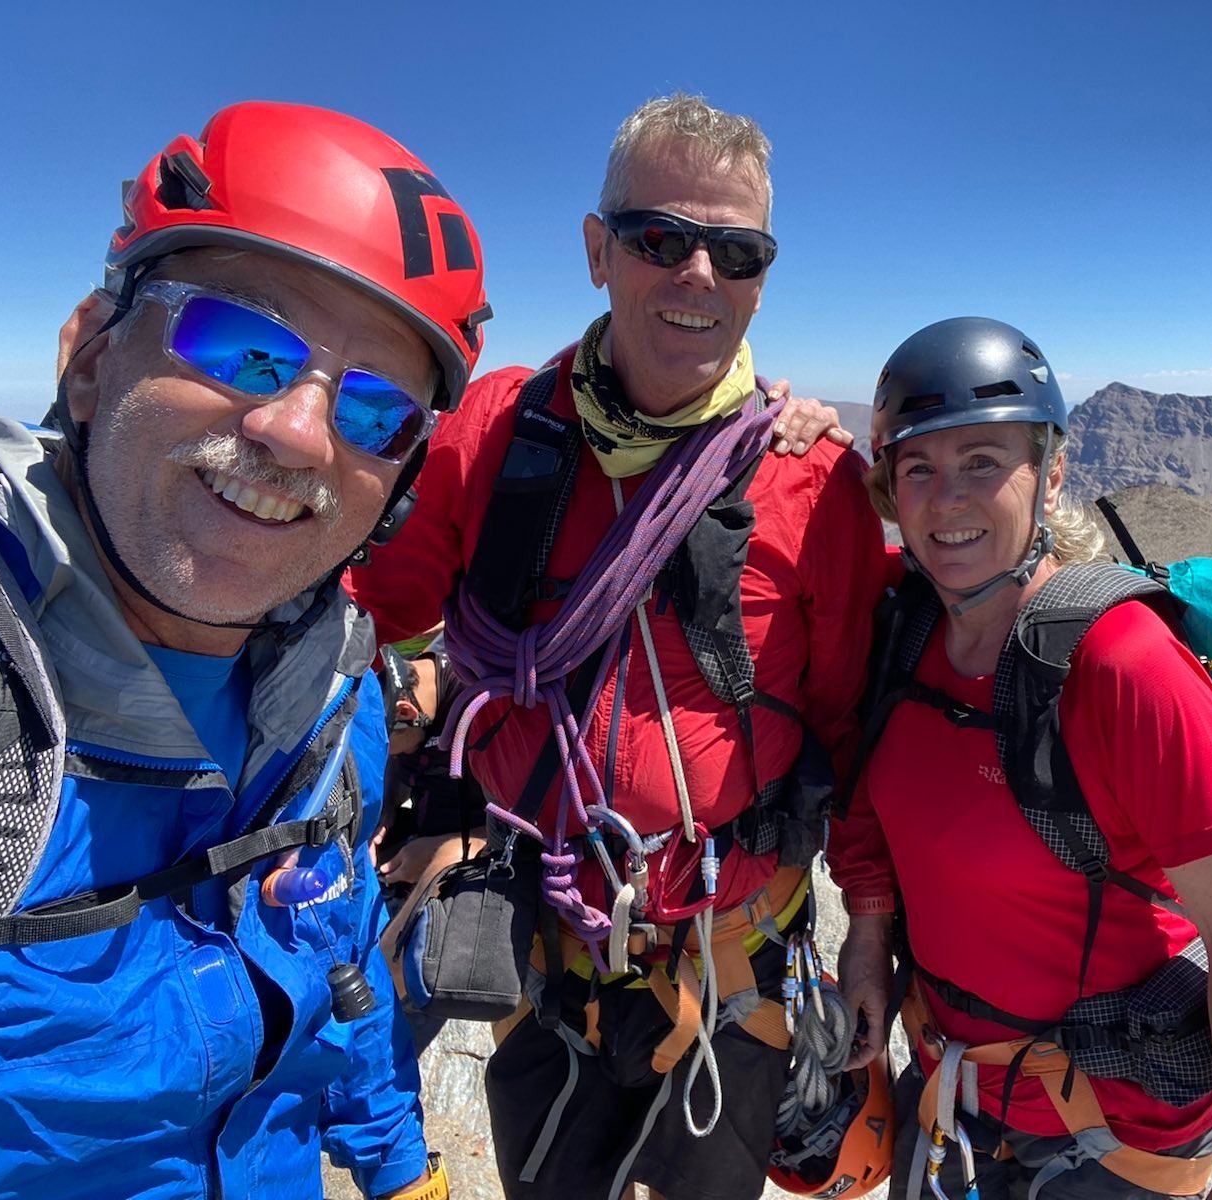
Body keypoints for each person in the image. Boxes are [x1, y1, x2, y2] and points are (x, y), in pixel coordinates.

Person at [348, 93, 888, 1200]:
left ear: (762, 277)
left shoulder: (811, 480)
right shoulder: (496, 429)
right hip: (547, 936)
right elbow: (373, 612)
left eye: (735, 251)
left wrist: (873, 927)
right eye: (659, 239)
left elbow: (847, 727)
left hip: (730, 952)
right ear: (597, 251)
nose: (698, 273)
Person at [0, 101, 489, 1200]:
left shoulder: (334, 701)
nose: (299, 430)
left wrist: (399, 1169)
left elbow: (339, 956)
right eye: (241, 344)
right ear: (90, 358)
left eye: (376, 409)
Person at [829, 318, 1212, 1199]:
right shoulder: (905, 630)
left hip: (1112, 1142)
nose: (948, 499)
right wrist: (866, 934)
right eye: (919, 468)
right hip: (953, 1107)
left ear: (1051, 473)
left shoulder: (1124, 667)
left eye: (983, 463)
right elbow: (872, 813)